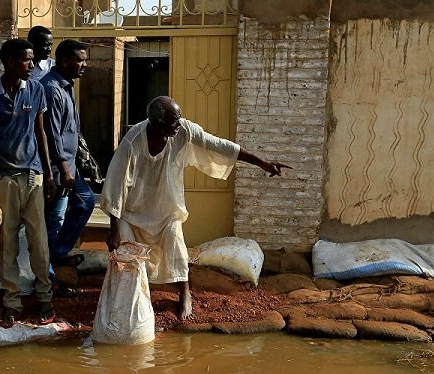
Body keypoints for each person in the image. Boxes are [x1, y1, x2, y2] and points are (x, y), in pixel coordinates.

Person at [102, 96, 292, 320]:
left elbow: (220, 145)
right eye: (173, 122)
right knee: (127, 253)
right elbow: (115, 185)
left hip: (166, 210)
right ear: (157, 124)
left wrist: (263, 163)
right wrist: (113, 228)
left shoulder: (184, 131)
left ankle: (185, 294)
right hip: (132, 213)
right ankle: (129, 300)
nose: (179, 125)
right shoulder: (132, 142)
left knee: (177, 246)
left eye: (179, 119)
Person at [0, 38, 57, 327]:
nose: (33, 65)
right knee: (7, 242)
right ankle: (11, 300)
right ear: (10, 62)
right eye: (27, 59)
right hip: (1, 177)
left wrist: (50, 175)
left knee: (39, 241)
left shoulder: (37, 90)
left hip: (33, 175)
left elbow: (41, 134)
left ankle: (44, 297)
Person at [40, 39, 96, 295]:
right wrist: (62, 169)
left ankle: (58, 255)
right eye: (80, 60)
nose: (84, 64)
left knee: (85, 202)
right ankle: (49, 277)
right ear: (63, 61)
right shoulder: (51, 89)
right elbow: (50, 135)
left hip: (70, 165)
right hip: (56, 168)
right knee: (54, 219)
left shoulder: (66, 86)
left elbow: (72, 131)